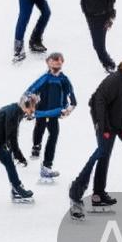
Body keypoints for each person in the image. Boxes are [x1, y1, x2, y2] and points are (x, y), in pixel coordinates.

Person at [68, 59, 122, 218]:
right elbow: (97, 101)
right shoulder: (114, 80)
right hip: (106, 126)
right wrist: (104, 127)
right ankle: (85, 193)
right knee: (102, 155)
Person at [28, 51, 76, 182]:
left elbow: (72, 98)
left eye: (60, 60)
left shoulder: (63, 80)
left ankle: (47, 166)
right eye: (54, 60)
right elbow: (30, 91)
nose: (58, 62)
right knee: (40, 128)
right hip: (42, 112)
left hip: (55, 113)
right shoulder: (44, 78)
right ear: (48, 62)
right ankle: (36, 146)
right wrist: (30, 109)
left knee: (53, 136)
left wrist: (67, 109)